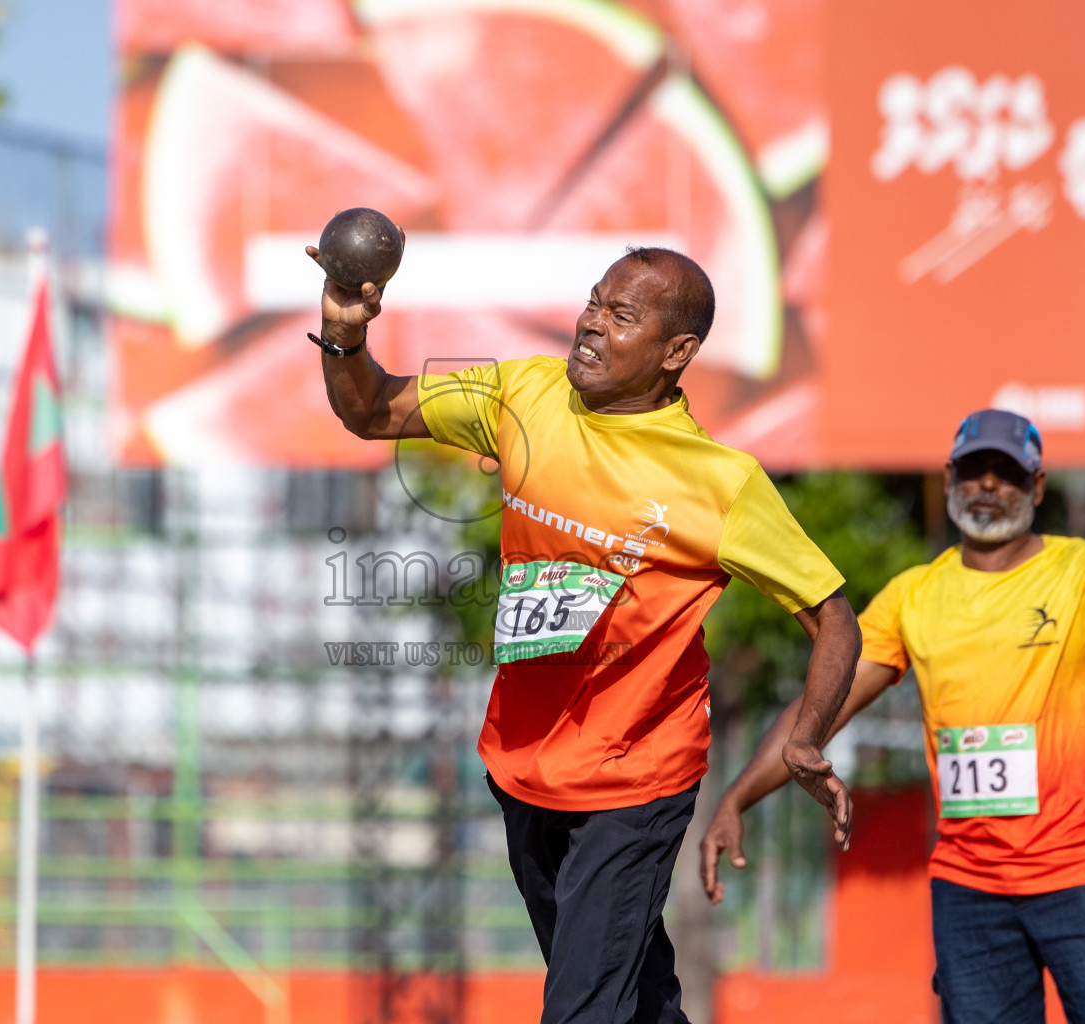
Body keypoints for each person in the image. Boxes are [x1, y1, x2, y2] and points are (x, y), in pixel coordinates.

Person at [309, 241, 860, 1023]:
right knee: (634, 997)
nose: (592, 324)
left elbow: (834, 617)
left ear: (678, 352)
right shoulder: (523, 392)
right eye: (594, 302)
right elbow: (371, 410)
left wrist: (806, 740)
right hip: (522, 760)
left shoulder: (719, 482)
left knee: (581, 1008)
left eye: (621, 315)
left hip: (635, 776)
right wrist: (342, 329)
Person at [701, 408, 1085, 1024]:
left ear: (1037, 487)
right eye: (974, 471)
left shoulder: (1082, 569)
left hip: (1084, 867)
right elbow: (819, 706)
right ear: (948, 479)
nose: (988, 485)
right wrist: (735, 798)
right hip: (970, 885)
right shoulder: (913, 595)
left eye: (1007, 473)